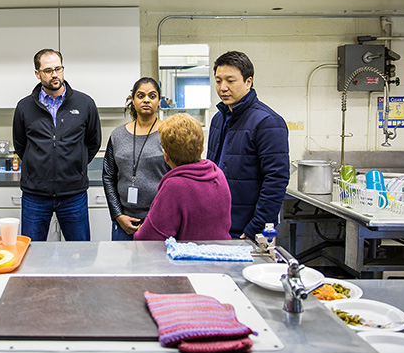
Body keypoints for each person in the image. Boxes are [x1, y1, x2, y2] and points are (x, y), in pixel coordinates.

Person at [12, 49, 101, 241]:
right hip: (35, 195)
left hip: (73, 194)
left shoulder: (85, 103)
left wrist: (76, 164)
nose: (54, 74)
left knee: (81, 253)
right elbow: (20, 145)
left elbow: (93, 143)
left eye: (58, 69)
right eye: (48, 70)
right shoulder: (24, 107)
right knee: (31, 254)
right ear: (37, 74)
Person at [206, 51, 289, 241]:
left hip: (246, 228)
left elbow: (276, 180)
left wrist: (256, 228)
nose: (223, 88)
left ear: (248, 82)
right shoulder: (219, 119)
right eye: (218, 81)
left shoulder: (268, 122)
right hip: (219, 224)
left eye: (230, 80)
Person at [134, 113, 231, 241]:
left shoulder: (174, 186)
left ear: (166, 155)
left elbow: (147, 240)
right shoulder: (218, 174)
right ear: (202, 148)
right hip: (221, 257)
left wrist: (139, 232)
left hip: (189, 259)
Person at [102, 77, 169, 241]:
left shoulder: (169, 133)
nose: (146, 100)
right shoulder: (117, 135)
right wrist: (117, 214)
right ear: (133, 100)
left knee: (158, 267)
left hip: (159, 222)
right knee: (123, 266)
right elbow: (108, 176)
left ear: (159, 100)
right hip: (124, 222)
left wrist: (162, 217)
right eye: (141, 96)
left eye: (152, 96)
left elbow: (178, 178)